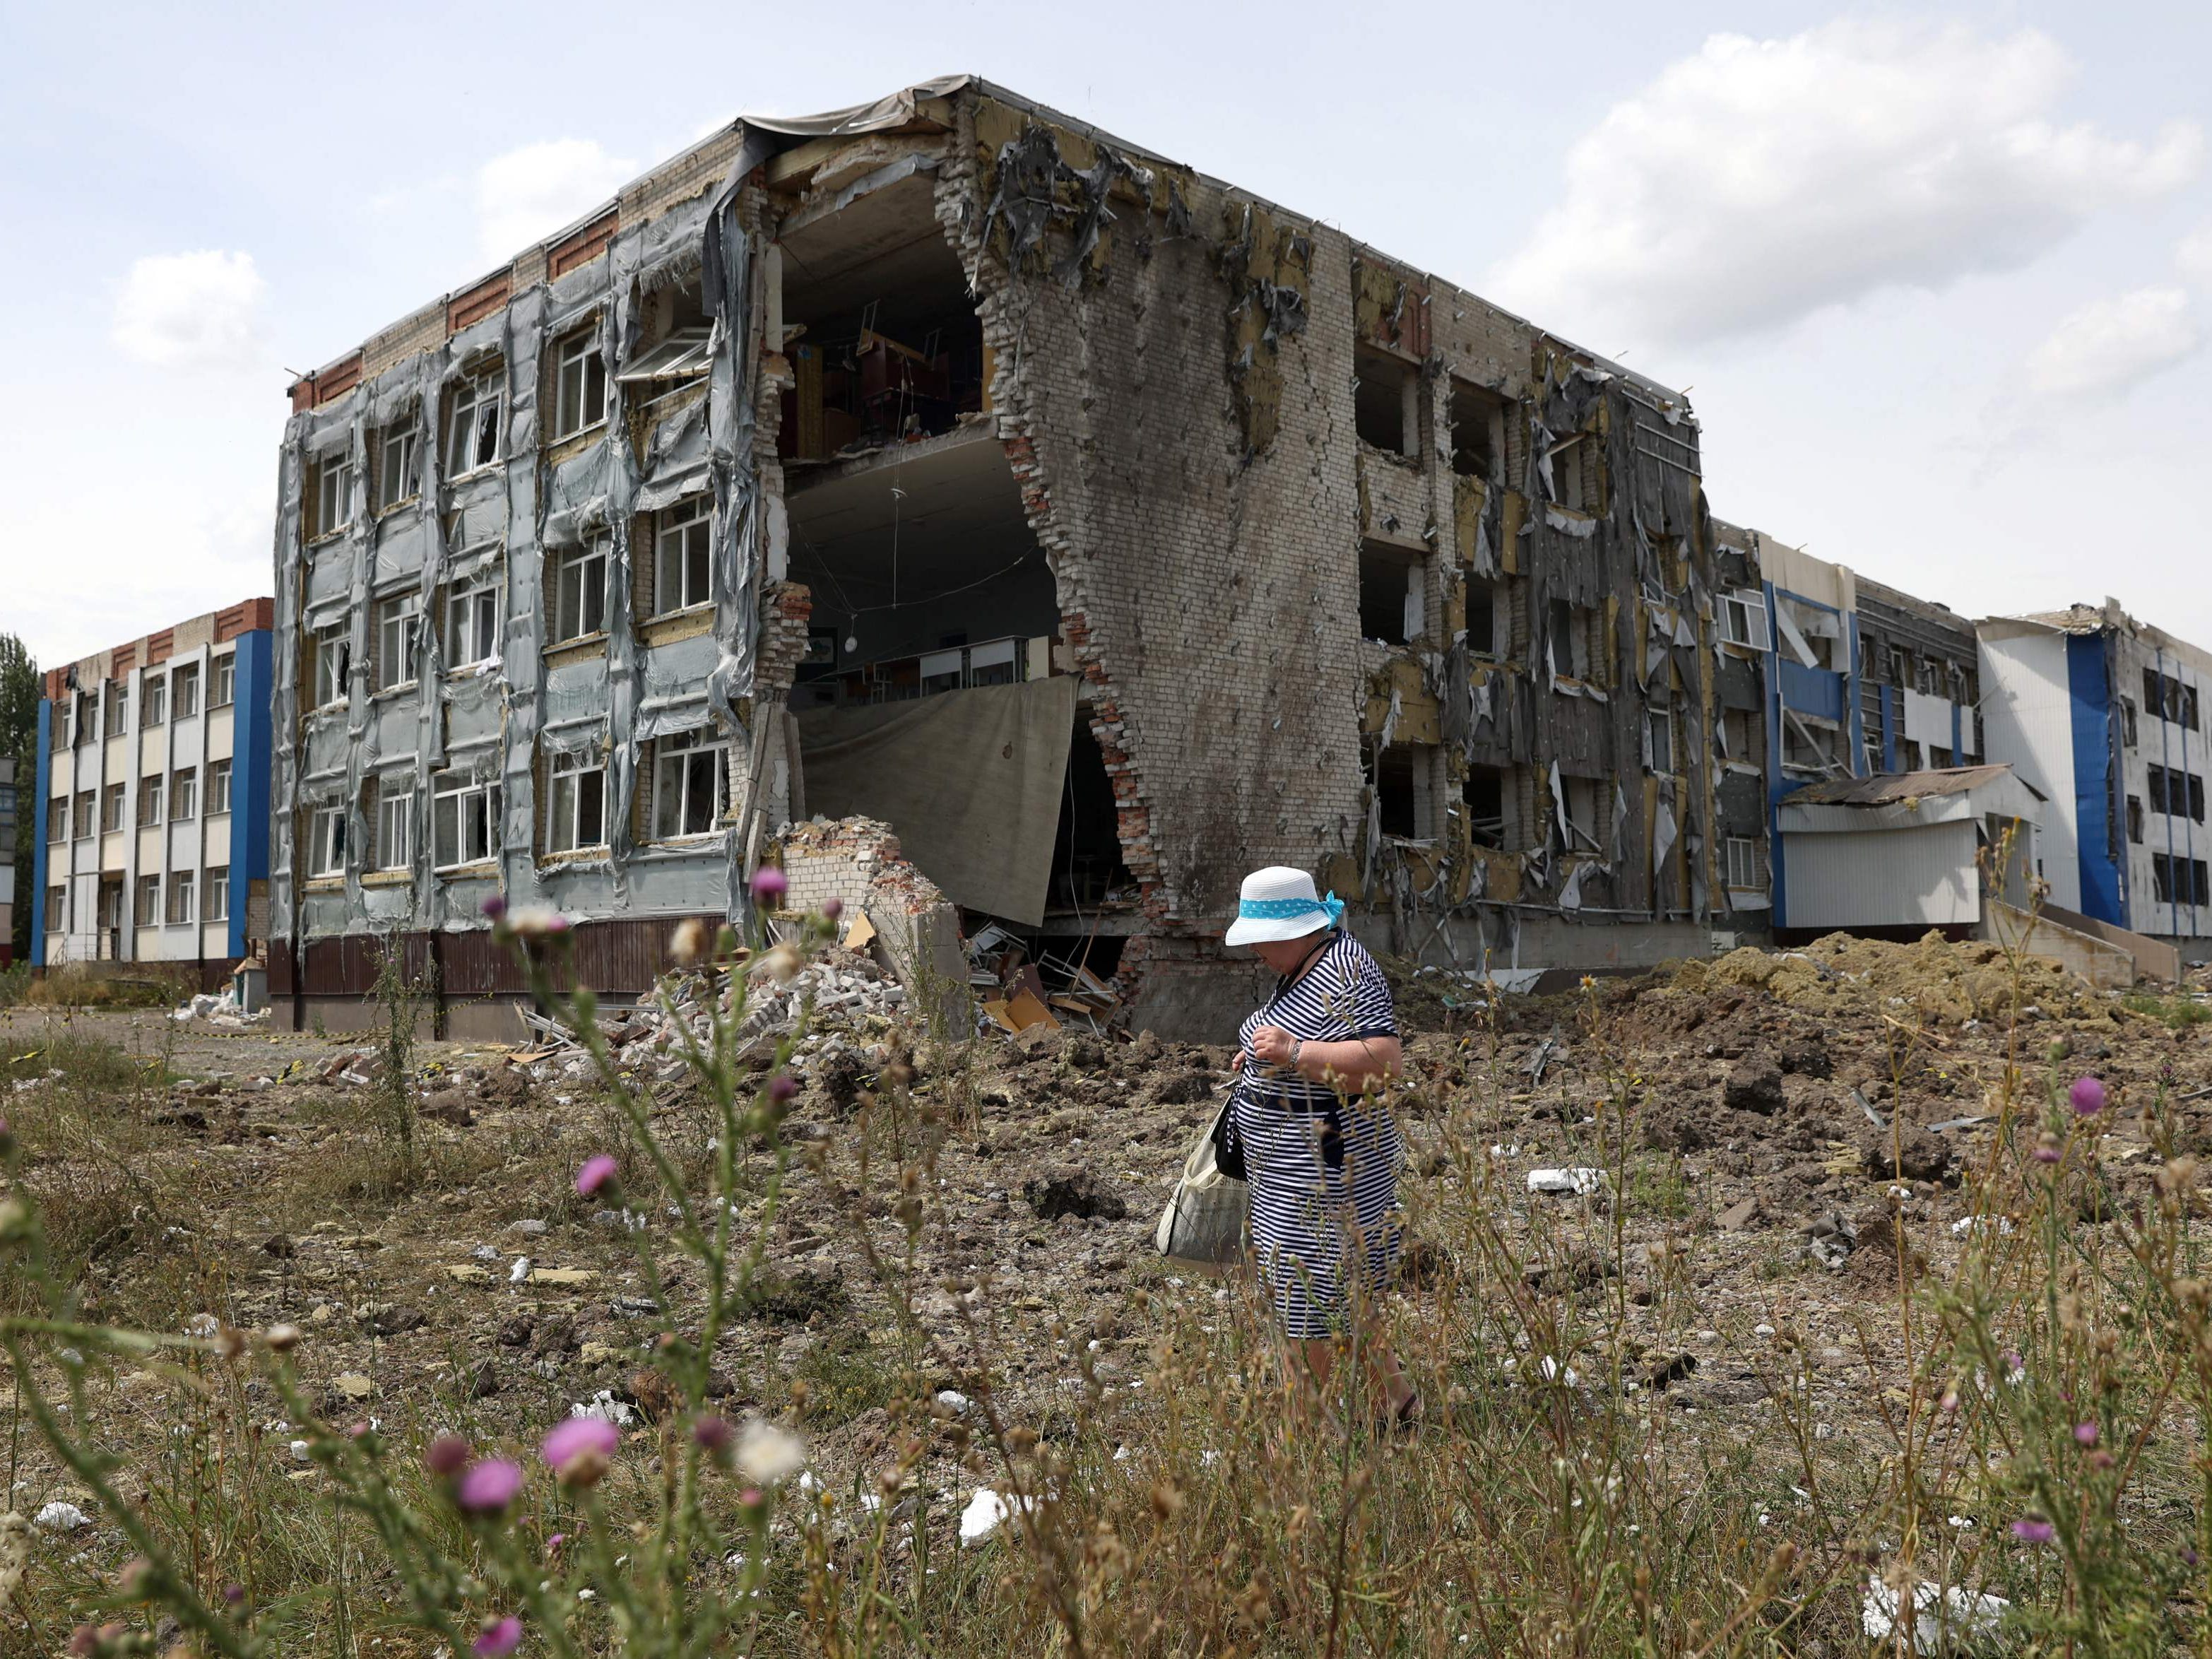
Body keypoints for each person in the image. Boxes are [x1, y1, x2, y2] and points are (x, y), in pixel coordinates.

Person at [1224, 866, 1418, 1427]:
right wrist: (1261, 1059)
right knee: (1340, 1288)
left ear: (1294, 931)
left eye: (1259, 938)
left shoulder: (1348, 971)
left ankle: (1305, 1429)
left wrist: (1292, 1055)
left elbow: (1383, 1064)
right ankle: (1395, 1402)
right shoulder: (1306, 966)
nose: (1255, 949)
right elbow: (1306, 1036)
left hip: (1328, 1165)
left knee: (1305, 1293)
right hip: (1293, 1163)